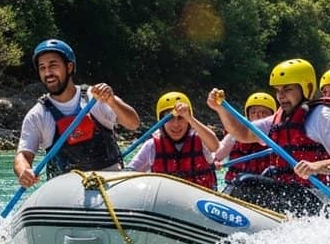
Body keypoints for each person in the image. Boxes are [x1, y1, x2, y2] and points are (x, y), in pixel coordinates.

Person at [207, 59, 330, 215]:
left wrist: (316, 167)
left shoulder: (323, 116)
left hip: (322, 200)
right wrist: (220, 110)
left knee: (246, 182)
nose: (281, 96)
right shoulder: (279, 118)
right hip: (292, 194)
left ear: (306, 88)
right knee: (267, 174)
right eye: (278, 90)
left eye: (287, 89)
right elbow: (243, 134)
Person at [14, 39, 140, 187]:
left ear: (69, 67)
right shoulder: (37, 115)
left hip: (110, 183)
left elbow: (133, 124)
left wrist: (112, 101)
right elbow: (23, 155)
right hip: (68, 192)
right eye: (42, 68)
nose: (48, 73)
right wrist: (24, 170)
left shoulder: (96, 97)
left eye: (53, 65)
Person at [128, 92, 221, 189]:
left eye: (181, 118)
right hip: (166, 200)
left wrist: (190, 117)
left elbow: (215, 146)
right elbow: (130, 171)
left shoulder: (201, 139)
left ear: (188, 121)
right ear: (161, 121)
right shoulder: (152, 146)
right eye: (170, 118)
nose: (176, 124)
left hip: (200, 199)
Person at [214, 92, 277, 186]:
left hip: (263, 187)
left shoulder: (278, 135)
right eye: (253, 112)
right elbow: (220, 151)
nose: (257, 115)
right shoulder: (236, 134)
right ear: (248, 115)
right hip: (234, 185)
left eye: (263, 112)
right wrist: (214, 161)